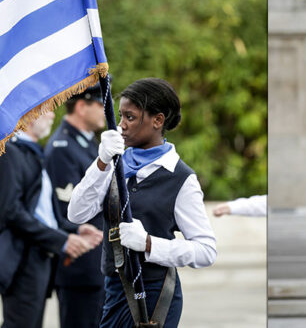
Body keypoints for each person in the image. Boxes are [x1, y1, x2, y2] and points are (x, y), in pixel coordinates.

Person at [68, 78, 217, 327]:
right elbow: (76, 213)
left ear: (157, 121)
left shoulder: (181, 178)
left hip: (155, 295)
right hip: (114, 290)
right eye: (120, 116)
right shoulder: (115, 164)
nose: (121, 126)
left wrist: (149, 244)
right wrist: (102, 161)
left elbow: (206, 251)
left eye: (130, 117)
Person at [0, 111, 96, 328]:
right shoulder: (7, 152)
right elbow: (11, 212)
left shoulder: (30, 152)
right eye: (47, 110)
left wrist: (74, 231)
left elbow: (44, 213)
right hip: (21, 260)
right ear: (30, 114)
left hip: (38, 257)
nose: (52, 116)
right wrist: (62, 241)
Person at [44, 86, 106, 328]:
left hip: (96, 265)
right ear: (81, 106)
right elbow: (65, 212)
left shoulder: (87, 143)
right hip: (80, 265)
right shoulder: (62, 147)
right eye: (100, 105)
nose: (105, 111)